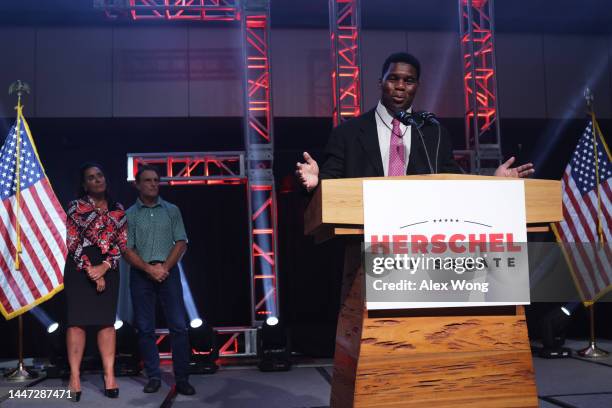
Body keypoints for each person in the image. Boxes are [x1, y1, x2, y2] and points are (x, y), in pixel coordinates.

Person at [296, 52, 535, 190]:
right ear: (381, 82)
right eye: (393, 79)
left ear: (417, 86)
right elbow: (331, 185)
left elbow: (454, 181)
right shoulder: (347, 133)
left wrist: (494, 184)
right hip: (362, 244)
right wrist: (316, 181)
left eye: (408, 81)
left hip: (420, 247)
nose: (400, 86)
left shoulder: (432, 132)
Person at [123, 165, 195, 396]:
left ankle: (182, 378)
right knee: (144, 329)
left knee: (179, 327)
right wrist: (148, 268)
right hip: (141, 275)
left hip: (168, 272)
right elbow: (126, 248)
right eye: (148, 180)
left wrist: (164, 267)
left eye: (156, 180)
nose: (153, 184)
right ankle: (153, 376)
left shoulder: (172, 210)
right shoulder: (129, 215)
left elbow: (181, 241)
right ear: (137, 184)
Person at [64, 163, 127, 401]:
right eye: (91, 177)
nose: (97, 180)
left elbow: (122, 242)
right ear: (84, 185)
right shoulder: (75, 207)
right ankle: (75, 376)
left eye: (100, 175)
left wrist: (104, 268)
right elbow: (73, 241)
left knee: (106, 323)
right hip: (79, 266)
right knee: (77, 322)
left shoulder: (118, 209)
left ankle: (109, 375)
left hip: (108, 267)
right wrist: (90, 269)